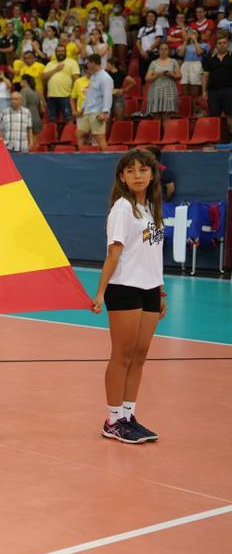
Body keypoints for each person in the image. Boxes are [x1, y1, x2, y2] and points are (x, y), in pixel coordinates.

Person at [92, 149, 165, 445]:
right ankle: (113, 420)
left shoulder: (150, 207)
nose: (138, 175)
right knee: (121, 356)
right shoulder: (122, 208)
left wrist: (160, 290)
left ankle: (128, 415)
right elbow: (114, 252)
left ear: (152, 174)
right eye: (131, 170)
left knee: (140, 355)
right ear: (122, 176)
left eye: (143, 170)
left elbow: (153, 254)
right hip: (124, 288)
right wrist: (100, 292)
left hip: (149, 289)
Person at [76, 54, 113, 150]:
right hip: (88, 111)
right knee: (79, 134)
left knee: (99, 138)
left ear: (93, 63)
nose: (87, 65)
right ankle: (81, 157)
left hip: (97, 111)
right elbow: (89, 95)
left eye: (88, 62)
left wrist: (105, 112)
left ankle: (107, 159)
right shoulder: (93, 76)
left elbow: (108, 96)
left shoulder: (105, 78)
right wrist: (82, 108)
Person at [202, 31, 232, 139]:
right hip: (213, 92)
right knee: (214, 116)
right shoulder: (210, 59)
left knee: (230, 115)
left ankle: (231, 137)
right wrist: (204, 91)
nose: (222, 45)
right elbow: (205, 75)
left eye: (224, 43)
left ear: (227, 44)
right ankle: (214, 138)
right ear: (216, 45)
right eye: (220, 43)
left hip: (229, 90)